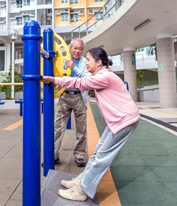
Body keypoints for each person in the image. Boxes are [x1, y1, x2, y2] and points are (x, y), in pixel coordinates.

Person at [42, 47, 140, 201]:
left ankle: (83, 191)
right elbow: (83, 77)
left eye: (88, 60)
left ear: (99, 62)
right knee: (98, 151)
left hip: (124, 120)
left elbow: (80, 82)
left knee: (102, 157)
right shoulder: (100, 74)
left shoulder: (103, 76)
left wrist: (54, 79)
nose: (86, 62)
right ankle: (83, 180)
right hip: (118, 120)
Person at [53, 38, 91, 167]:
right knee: (58, 128)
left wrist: (74, 68)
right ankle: (53, 155)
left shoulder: (85, 62)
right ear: (70, 48)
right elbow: (57, 74)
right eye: (75, 48)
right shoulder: (62, 60)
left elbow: (87, 79)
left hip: (79, 97)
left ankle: (79, 156)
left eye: (80, 48)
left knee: (81, 129)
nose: (77, 51)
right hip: (64, 96)